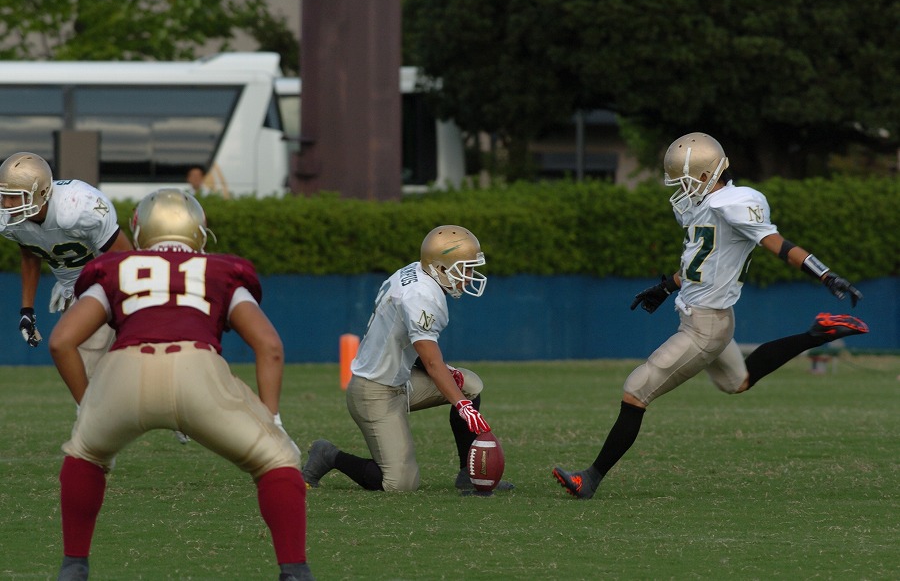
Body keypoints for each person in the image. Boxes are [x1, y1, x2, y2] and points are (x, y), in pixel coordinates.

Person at [552, 132, 869, 499]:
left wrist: (825, 274)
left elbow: (777, 244)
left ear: (706, 175)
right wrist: (666, 287)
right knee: (738, 381)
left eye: (686, 180)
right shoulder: (705, 207)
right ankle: (817, 334)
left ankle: (589, 479)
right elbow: (701, 262)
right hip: (709, 319)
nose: (682, 189)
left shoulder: (735, 203)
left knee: (636, 391)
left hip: (705, 328)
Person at [48, 189, 313, 581]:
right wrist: (272, 419)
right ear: (199, 232)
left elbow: (61, 341)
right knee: (276, 461)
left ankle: (74, 566)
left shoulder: (116, 268)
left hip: (126, 369)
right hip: (197, 369)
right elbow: (269, 346)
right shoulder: (222, 270)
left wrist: (88, 404)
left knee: (85, 455)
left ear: (140, 231)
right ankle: (295, 571)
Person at [302, 225, 513, 493]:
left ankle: (467, 475)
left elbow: (412, 347)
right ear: (440, 268)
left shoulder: (418, 272)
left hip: (401, 382)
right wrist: (462, 406)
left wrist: (456, 385)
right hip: (374, 392)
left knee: (469, 384)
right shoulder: (421, 295)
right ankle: (328, 455)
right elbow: (432, 362)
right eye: (464, 269)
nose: (469, 277)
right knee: (400, 483)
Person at [0, 152, 132, 378]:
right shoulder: (12, 220)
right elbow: (30, 253)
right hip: (73, 290)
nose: (6, 204)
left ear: (40, 193)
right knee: (84, 366)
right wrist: (27, 310)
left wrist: (131, 301)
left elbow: (126, 256)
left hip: (106, 285)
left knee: (88, 366)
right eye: (4, 196)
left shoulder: (76, 208)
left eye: (14, 197)